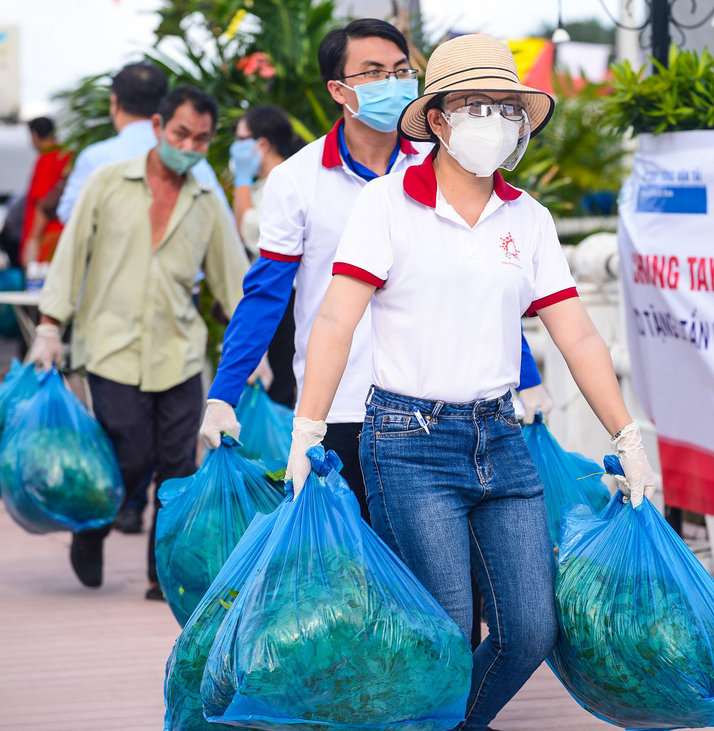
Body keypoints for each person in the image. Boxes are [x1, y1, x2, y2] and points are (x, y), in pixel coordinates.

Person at [288, 35, 659, 731]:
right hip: (408, 442)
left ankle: (449, 724)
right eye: (475, 105)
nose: (494, 119)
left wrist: (627, 435)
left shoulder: (528, 218)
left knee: (529, 629)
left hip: (502, 437)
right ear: (437, 119)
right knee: (448, 627)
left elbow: (576, 333)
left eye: (506, 107)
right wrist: (306, 429)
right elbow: (337, 318)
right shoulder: (388, 205)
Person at [199, 19, 554, 524]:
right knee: (356, 583)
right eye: (373, 73)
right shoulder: (296, 181)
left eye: (402, 70)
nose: (393, 82)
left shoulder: (448, 164)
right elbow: (265, 295)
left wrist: (527, 377)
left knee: (445, 585)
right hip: (341, 406)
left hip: (437, 410)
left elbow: (480, 279)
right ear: (338, 90)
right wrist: (222, 395)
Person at [29, 86, 249, 600]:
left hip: (178, 352)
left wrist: (250, 351)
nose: (189, 146)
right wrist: (48, 325)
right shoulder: (108, 183)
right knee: (126, 455)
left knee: (176, 469)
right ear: (157, 126)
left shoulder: (205, 201)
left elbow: (232, 281)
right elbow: (71, 255)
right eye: (180, 134)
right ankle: (92, 530)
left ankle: (162, 575)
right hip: (111, 347)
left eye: (201, 138)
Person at [56, 62, 227, 225]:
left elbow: (71, 215)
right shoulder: (193, 161)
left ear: (115, 102)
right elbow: (222, 222)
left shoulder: (95, 158)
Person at [227, 105, 304, 407]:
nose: (236, 147)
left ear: (261, 144)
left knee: (281, 385)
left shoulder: (284, 181)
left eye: (240, 139)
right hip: (277, 295)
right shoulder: (268, 183)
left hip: (288, 297)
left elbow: (249, 227)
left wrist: (241, 181)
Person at [20, 117, 70, 265]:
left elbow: (42, 203)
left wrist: (32, 242)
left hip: (49, 237)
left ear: (34, 135)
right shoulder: (68, 155)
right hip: (67, 234)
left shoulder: (46, 160)